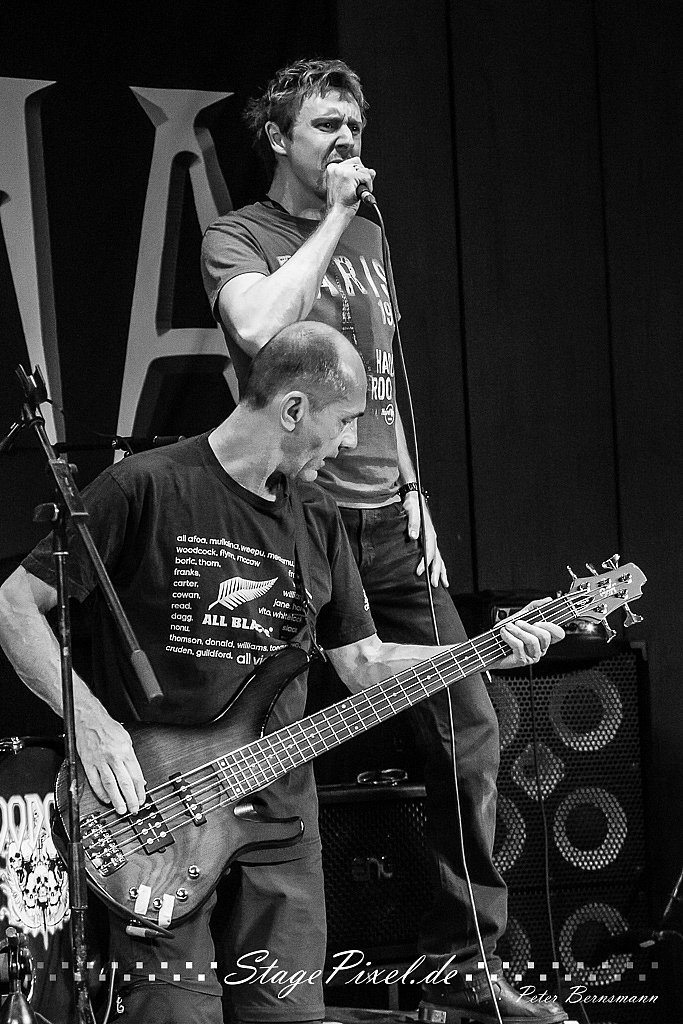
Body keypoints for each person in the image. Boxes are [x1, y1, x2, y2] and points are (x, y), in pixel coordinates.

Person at [0, 324, 564, 1024]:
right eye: (345, 420)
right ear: (293, 409)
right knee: (175, 1016)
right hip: (156, 821)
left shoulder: (317, 516)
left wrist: (486, 650)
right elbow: (14, 605)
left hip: (280, 828)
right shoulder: (144, 486)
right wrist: (91, 723)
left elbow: (363, 664)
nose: (350, 444)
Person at [201, 60, 568, 1024]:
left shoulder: (372, 234)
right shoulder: (241, 235)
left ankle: (462, 966)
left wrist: (415, 492)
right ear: (278, 137)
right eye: (325, 125)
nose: (346, 142)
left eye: (354, 127)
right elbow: (260, 329)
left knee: (468, 725)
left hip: (386, 521)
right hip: (291, 517)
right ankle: (258, 983)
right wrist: (330, 218)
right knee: (272, 745)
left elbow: (381, 376)